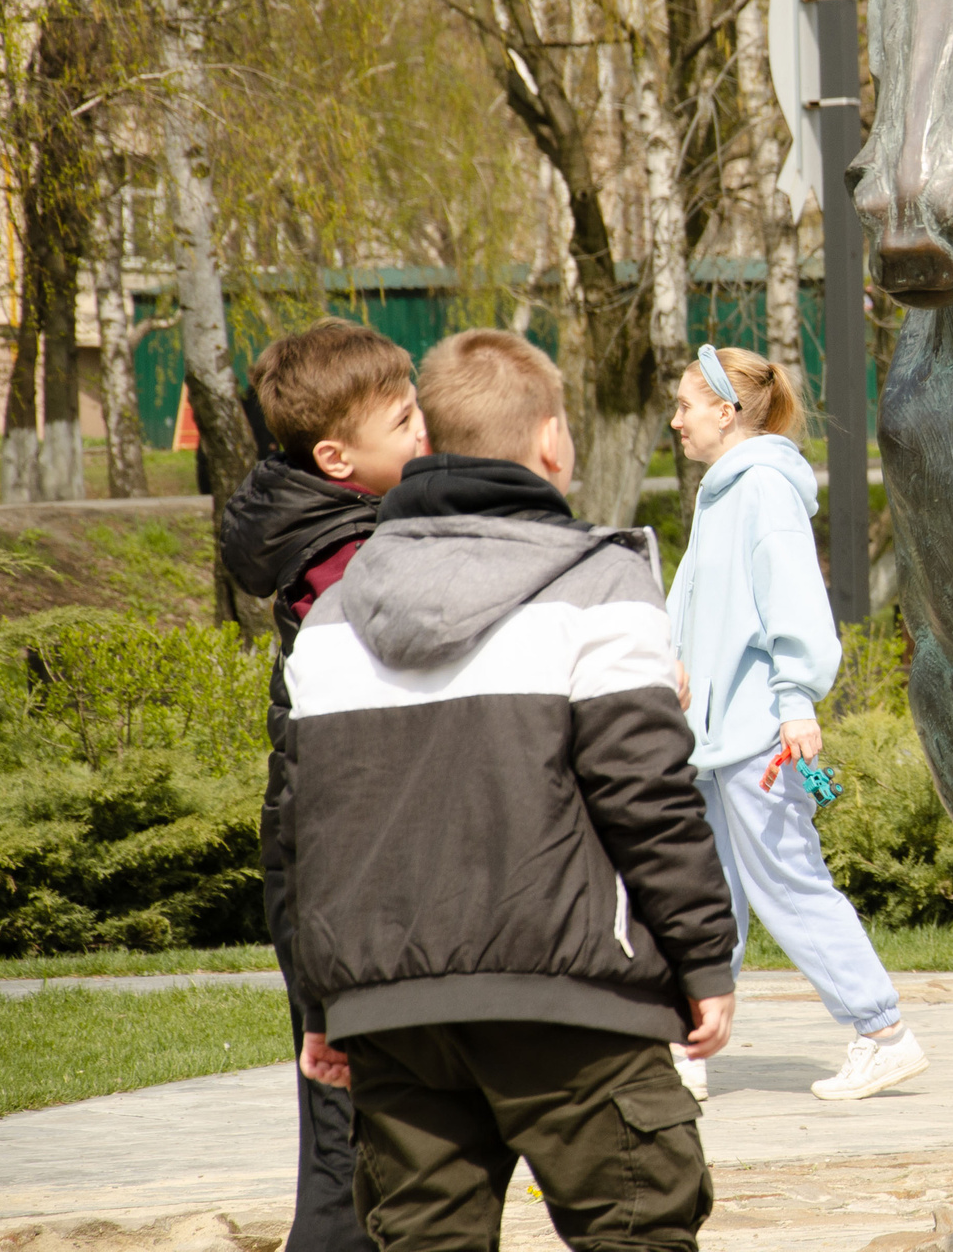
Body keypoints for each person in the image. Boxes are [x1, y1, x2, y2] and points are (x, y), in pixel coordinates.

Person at [282, 329, 739, 1245]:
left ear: (426, 442)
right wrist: (704, 960)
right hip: (571, 999)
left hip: (393, 1019)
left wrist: (329, 1001)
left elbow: (312, 826)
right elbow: (646, 794)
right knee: (639, 1228)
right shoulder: (602, 586)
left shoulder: (330, 615)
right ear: (551, 443)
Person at [666, 342, 928, 1103]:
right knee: (706, 892)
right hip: (713, 739)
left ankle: (884, 1033)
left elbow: (796, 608)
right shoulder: (721, 493)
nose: (675, 421)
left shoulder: (760, 492)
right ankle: (685, 1046)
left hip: (757, 736)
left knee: (789, 884)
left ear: (725, 412)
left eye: (685, 406)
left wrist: (794, 703)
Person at [221, 318, 428, 1252]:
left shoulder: (339, 523)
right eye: (404, 420)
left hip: (329, 851)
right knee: (351, 1120)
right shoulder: (347, 556)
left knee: (361, 1115)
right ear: (337, 458)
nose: (425, 430)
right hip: (338, 859)